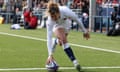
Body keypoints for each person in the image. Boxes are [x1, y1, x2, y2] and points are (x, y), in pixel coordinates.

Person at [45, 1, 90, 72]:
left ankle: (56, 41)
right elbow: (48, 37)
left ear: (58, 12)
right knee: (63, 40)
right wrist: (50, 54)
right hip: (57, 26)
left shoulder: (65, 10)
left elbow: (77, 19)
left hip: (66, 24)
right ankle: (75, 62)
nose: (53, 18)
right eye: (52, 17)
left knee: (61, 41)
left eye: (54, 16)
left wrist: (84, 31)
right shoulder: (50, 20)